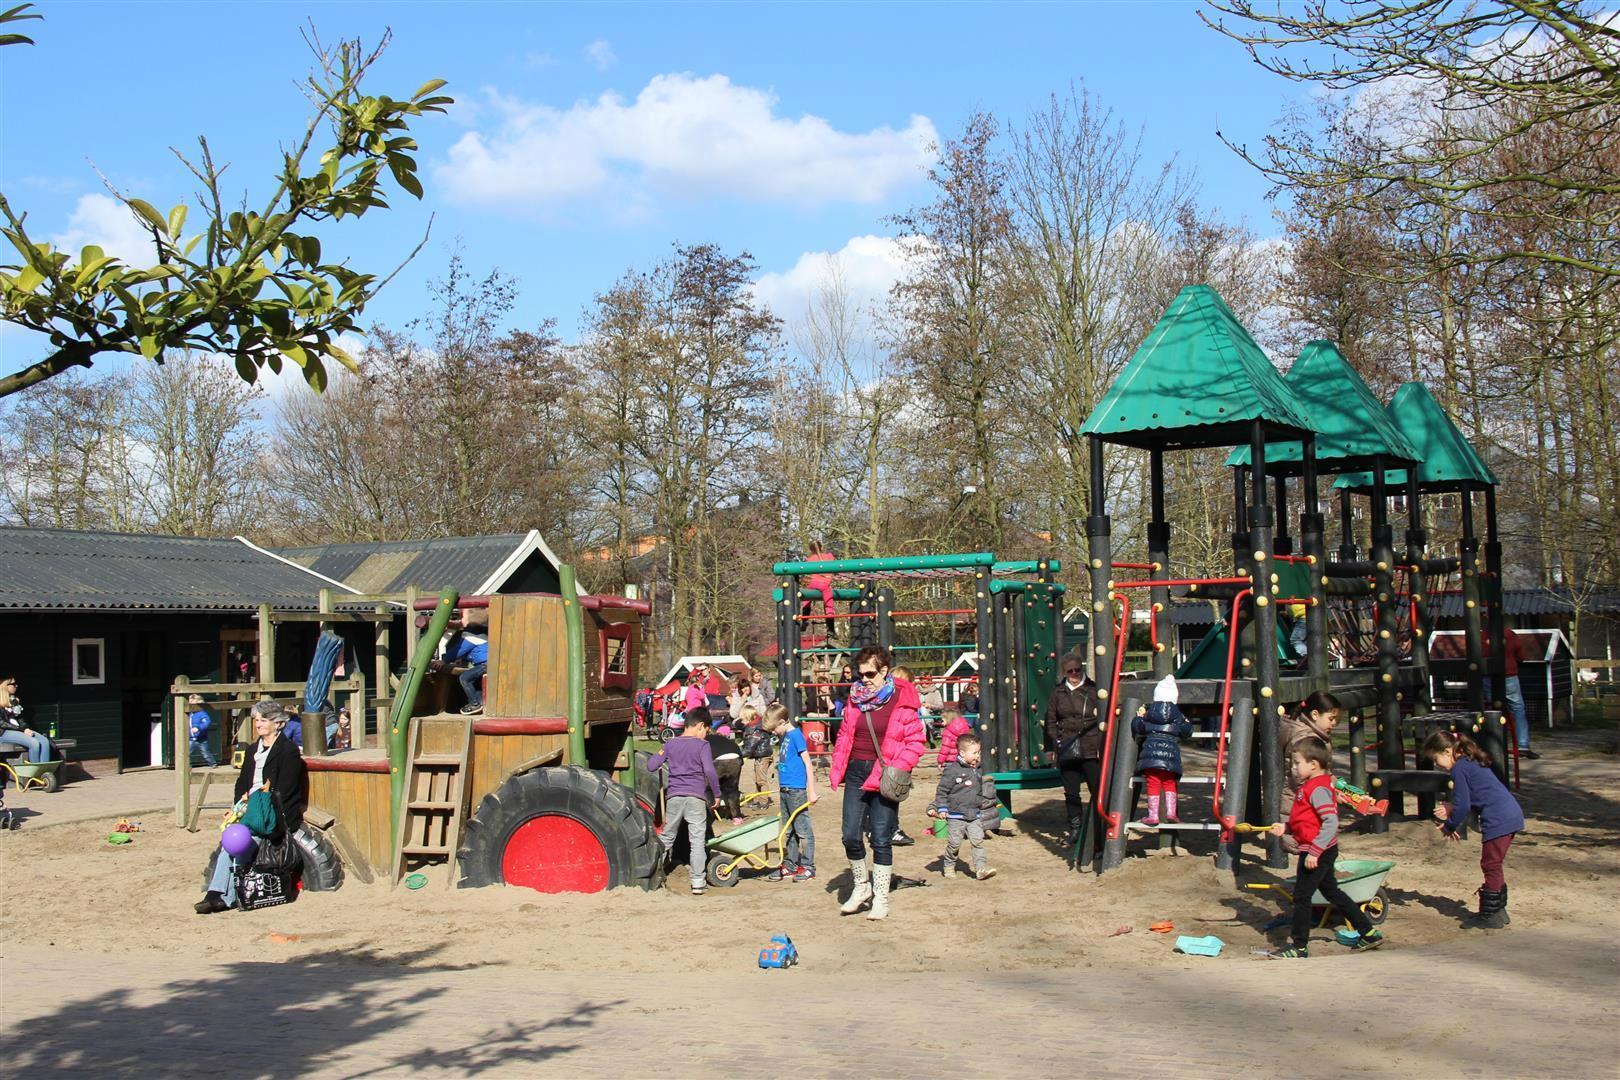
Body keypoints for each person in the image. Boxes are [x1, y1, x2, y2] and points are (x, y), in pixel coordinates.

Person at [1265, 736, 1384, 957]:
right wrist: (1286, 827)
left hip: (1316, 851)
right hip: (1318, 849)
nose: (1293, 768)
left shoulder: (1317, 788)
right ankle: (1368, 932)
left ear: (1313, 764)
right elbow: (1307, 820)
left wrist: (1315, 852)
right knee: (1332, 892)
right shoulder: (1310, 786)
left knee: (1301, 896)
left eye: (1297, 763)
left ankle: (1299, 946)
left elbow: (1330, 822)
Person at [829, 646, 925, 921]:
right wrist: (839, 765)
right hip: (857, 772)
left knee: (881, 838)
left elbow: (915, 741)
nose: (865, 679)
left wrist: (898, 766)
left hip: (885, 772)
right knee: (849, 834)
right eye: (861, 674)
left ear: (884, 670)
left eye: (870, 673)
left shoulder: (902, 699)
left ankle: (880, 898)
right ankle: (862, 887)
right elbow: (845, 733)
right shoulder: (855, 698)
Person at [195, 700, 308, 914]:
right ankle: (215, 894)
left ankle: (221, 897)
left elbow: (286, 789)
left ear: (278, 723)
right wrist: (239, 806)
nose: (258, 724)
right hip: (249, 808)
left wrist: (260, 808)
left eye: (263, 720)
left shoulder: (288, 750)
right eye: (256, 720)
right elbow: (242, 783)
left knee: (244, 841)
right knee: (230, 842)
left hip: (269, 812)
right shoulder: (253, 749)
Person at [1423, 729, 1525, 929]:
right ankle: (1498, 910)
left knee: (1490, 865)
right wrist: (1453, 808)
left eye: (1436, 759)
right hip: (1509, 813)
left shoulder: (1459, 768)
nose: (1437, 765)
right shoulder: (1470, 762)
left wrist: (1449, 826)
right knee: (1494, 864)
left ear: (1447, 751)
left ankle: (1489, 915)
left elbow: (1463, 806)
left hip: (1499, 818)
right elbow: (1474, 796)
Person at [645, 708, 722, 895]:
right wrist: (717, 794)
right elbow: (710, 771)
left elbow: (651, 766)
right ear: (700, 726)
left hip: (674, 797)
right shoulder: (702, 746)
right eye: (705, 731)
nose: (705, 736)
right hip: (696, 797)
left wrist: (662, 751)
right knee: (696, 841)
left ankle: (653, 875)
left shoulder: (671, 744)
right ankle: (697, 881)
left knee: (667, 837)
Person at [1044, 653, 1100, 846]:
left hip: (1091, 745)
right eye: (1070, 671)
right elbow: (1050, 720)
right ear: (1064, 672)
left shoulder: (1093, 690)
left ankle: (1098, 827)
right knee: (1071, 792)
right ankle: (1075, 827)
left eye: (1077, 669)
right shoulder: (1058, 693)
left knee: (1097, 788)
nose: (1075, 673)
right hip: (1067, 746)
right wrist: (1052, 745)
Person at [928, 732, 997, 880]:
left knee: (978, 841)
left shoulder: (977, 768)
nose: (977, 755)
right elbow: (942, 791)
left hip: (974, 814)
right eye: (974, 753)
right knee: (954, 843)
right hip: (956, 814)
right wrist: (942, 808)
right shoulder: (952, 770)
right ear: (962, 753)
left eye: (979, 752)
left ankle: (981, 869)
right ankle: (948, 864)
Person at [1280, 691, 1343, 844]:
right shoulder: (1305, 740)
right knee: (1306, 842)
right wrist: (1329, 789)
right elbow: (1303, 776)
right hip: (1301, 802)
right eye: (1331, 718)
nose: (1334, 723)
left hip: (1302, 800)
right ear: (1315, 715)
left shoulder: (1312, 735)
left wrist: (1334, 785)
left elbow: (1320, 771)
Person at [765, 703, 818, 882]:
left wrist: (811, 791)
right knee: (789, 830)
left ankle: (809, 866)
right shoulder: (786, 737)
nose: (773, 732)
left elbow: (808, 764)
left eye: (774, 729)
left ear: (781, 722)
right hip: (785, 790)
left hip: (797, 790)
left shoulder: (796, 736)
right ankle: (790, 864)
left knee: (803, 830)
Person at [1132, 675, 1193, 826]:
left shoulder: (1149, 713)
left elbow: (1138, 728)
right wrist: (1187, 723)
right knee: (1169, 782)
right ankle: (1171, 813)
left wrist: (1137, 718)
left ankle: (1153, 815)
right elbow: (1187, 732)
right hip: (1170, 757)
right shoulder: (1177, 715)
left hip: (1150, 757)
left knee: (1153, 782)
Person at [1485, 627, 1537, 759]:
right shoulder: (1509, 634)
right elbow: (1520, 655)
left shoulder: (1482, 635)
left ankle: (1495, 744)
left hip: (1488, 676)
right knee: (1518, 709)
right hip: (1509, 675)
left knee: (1494, 710)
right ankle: (1523, 745)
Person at [438, 617, 489, 715]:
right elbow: (473, 652)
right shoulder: (480, 637)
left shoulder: (472, 637)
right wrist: (462, 659)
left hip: (486, 665)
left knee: (464, 678)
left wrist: (443, 661)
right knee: (474, 683)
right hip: (485, 664)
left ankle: (475, 704)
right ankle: (479, 702)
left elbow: (458, 651)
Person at [0, 677, 54, 764]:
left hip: (18, 730)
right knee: (34, 743)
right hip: (4, 733)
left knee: (44, 741)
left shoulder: (14, 701)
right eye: (13, 684)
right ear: (4, 686)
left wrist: (25, 728)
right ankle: (35, 773)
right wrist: (22, 730)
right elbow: (2, 724)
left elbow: (21, 719)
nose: (16, 686)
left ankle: (44, 772)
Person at [707, 721, 745, 824]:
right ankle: (736, 816)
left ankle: (709, 816)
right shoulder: (724, 739)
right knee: (732, 789)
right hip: (736, 757)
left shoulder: (705, 740)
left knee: (708, 787)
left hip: (719, 759)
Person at [738, 704, 775, 798]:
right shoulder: (758, 725)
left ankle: (763, 800)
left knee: (761, 780)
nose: (741, 722)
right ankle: (757, 799)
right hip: (760, 756)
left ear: (748, 718)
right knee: (757, 779)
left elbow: (748, 749)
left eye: (743, 719)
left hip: (763, 757)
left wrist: (736, 752)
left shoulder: (754, 730)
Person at [803, 539, 837, 637]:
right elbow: (837, 567)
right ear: (821, 547)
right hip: (825, 584)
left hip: (812, 584)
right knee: (829, 604)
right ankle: (830, 629)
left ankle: (804, 620)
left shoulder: (809, 559)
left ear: (810, 550)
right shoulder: (829, 557)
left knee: (806, 601)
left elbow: (806, 573)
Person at [935, 702, 972, 767]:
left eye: (943, 720)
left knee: (949, 776)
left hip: (951, 760)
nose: (941, 722)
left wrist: (940, 761)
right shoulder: (965, 728)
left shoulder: (947, 732)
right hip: (963, 758)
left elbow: (945, 748)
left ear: (948, 719)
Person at [186, 693, 217, 767]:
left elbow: (207, 722)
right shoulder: (190, 714)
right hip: (191, 738)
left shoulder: (201, 714)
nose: (191, 705)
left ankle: (213, 763)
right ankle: (186, 765)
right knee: (187, 753)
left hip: (201, 738)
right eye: (189, 703)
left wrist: (198, 728)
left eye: (192, 703)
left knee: (205, 753)